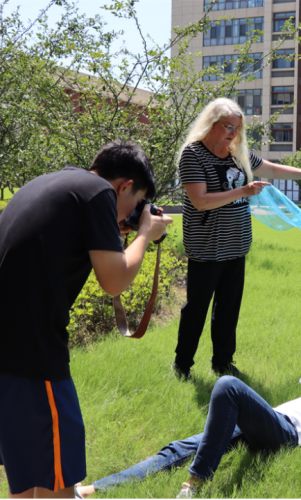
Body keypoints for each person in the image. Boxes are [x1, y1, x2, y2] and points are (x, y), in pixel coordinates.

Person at [0, 140, 172, 498]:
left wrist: (117, 231)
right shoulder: (98, 193)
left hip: (8, 349)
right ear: (124, 186)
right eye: (136, 203)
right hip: (32, 352)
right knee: (60, 479)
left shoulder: (54, 183)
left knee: (30, 473)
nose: (131, 211)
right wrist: (145, 232)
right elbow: (114, 281)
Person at [75, 338, 301, 499]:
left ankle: (196, 483)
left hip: (288, 435)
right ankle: (94, 490)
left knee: (228, 385)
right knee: (178, 448)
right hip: (268, 422)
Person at [174, 98, 301, 380]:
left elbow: (271, 169)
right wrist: (243, 192)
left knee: (228, 310)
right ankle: (183, 365)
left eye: (237, 128)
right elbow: (200, 201)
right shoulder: (193, 155)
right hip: (207, 249)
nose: (232, 134)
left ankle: (222, 363)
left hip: (236, 246)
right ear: (211, 125)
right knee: (196, 309)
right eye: (227, 127)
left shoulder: (238, 154)